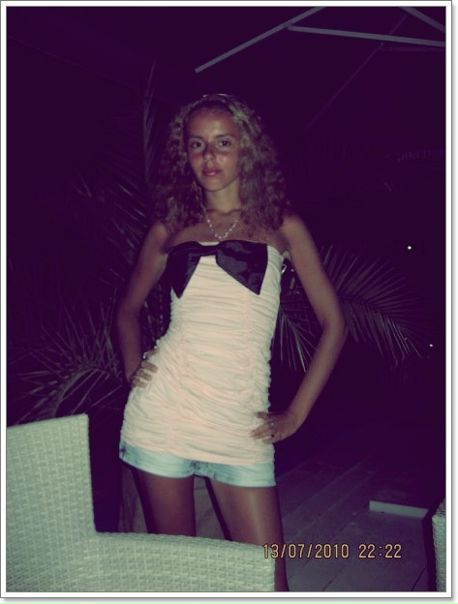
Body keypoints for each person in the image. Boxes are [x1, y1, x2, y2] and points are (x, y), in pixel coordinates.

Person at [116, 93, 347, 591]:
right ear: (184, 153)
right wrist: (135, 371)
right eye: (197, 144)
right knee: (180, 578)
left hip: (240, 424)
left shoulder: (282, 226)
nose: (209, 157)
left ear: (247, 149)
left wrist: (297, 414)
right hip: (164, 415)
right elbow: (127, 310)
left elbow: (335, 324)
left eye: (223, 143)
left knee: (267, 581)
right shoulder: (169, 228)